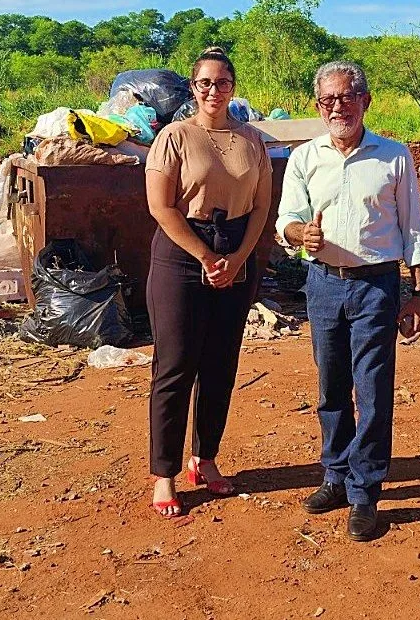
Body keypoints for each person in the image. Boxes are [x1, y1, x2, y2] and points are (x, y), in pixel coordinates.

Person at [276, 61, 420, 541]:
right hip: (322, 283)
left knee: (373, 390)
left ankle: (364, 492)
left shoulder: (394, 156)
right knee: (331, 386)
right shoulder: (305, 157)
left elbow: (413, 229)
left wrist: (419, 293)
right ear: (318, 106)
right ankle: (336, 476)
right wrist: (302, 234)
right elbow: (286, 219)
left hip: (376, 286)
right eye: (328, 100)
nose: (338, 107)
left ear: (365, 101)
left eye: (347, 97)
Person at [145, 47, 272, 517]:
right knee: (176, 365)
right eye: (205, 83)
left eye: (222, 83)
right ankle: (164, 474)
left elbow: (261, 206)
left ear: (233, 87)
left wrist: (237, 258)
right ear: (193, 88)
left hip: (236, 250)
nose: (213, 91)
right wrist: (206, 255)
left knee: (220, 363)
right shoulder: (174, 137)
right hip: (182, 253)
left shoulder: (252, 140)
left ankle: (206, 458)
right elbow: (161, 207)